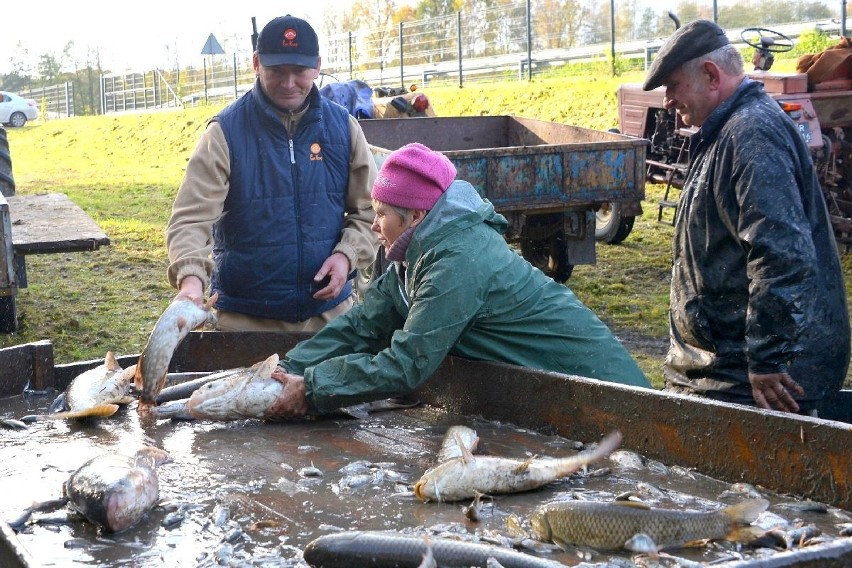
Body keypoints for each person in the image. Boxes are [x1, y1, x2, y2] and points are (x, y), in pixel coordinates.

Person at [262, 142, 651, 418]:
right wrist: (283, 369)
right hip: (561, 393)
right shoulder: (417, 253)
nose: (375, 225)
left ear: (415, 217)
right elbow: (364, 324)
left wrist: (312, 388)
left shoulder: (457, 261)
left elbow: (407, 363)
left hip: (608, 394)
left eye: (382, 214)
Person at [643, 20, 850, 415]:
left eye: (673, 85)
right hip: (726, 372)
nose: (668, 100)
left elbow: (781, 254)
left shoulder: (751, 134)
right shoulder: (727, 128)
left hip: (757, 383)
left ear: (710, 74)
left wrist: (769, 360)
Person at [165, 15, 378, 332]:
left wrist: (347, 255)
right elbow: (191, 218)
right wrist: (192, 280)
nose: (289, 83)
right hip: (243, 321)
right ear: (256, 63)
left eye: (300, 72)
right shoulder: (224, 133)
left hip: (330, 321)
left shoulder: (343, 127)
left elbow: (371, 209)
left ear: (317, 66)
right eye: (277, 71)